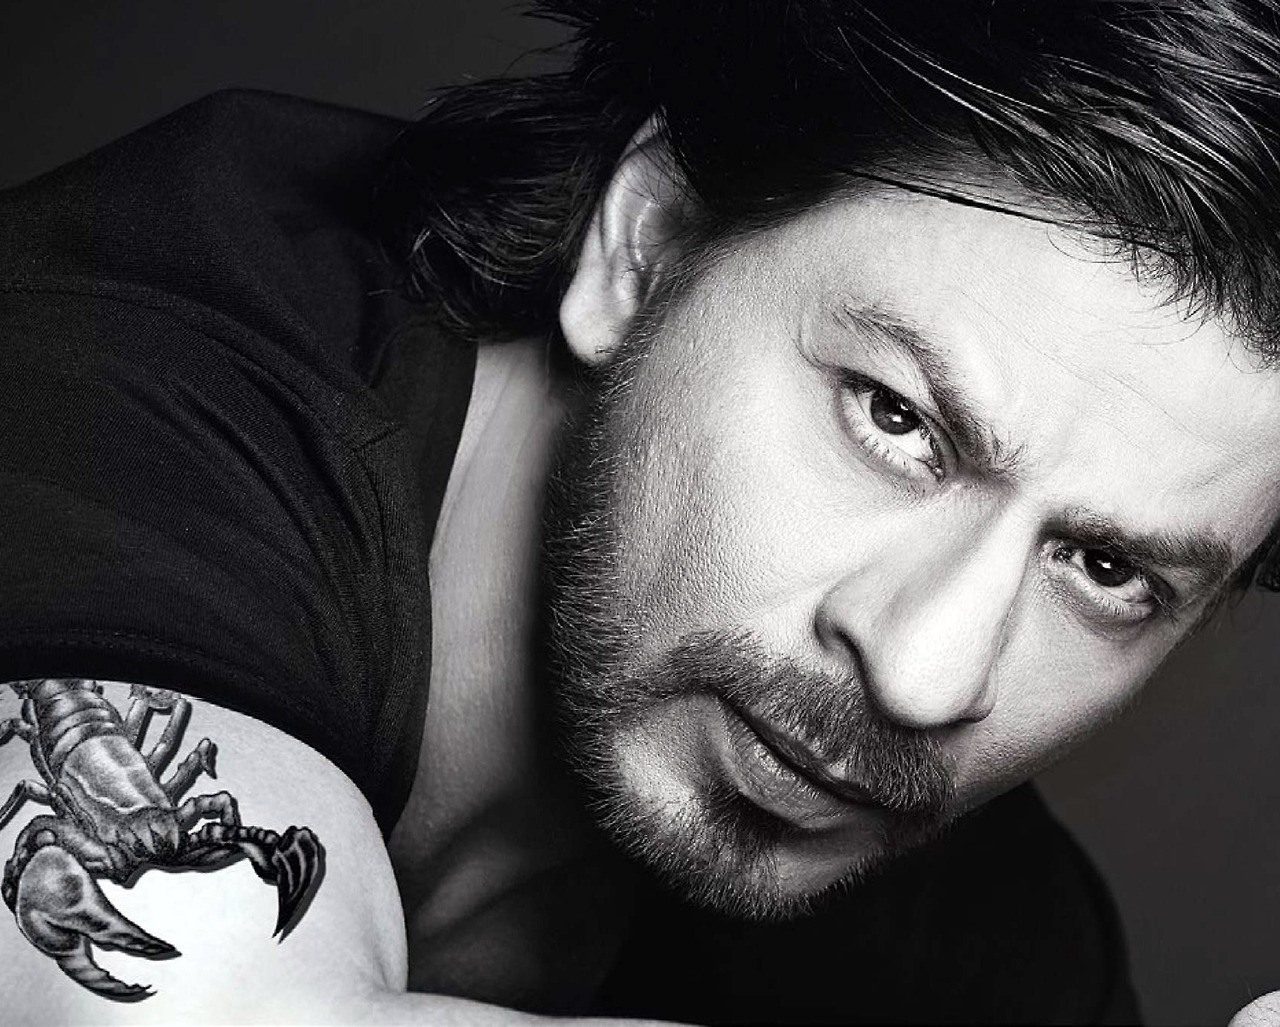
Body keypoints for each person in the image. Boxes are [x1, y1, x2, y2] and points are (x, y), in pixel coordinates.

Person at [1, 0, 1279, 1022]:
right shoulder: (115, 389)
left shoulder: (975, 937)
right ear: (644, 246)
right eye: (893, 419)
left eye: (1104, 566)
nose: (923, 673)